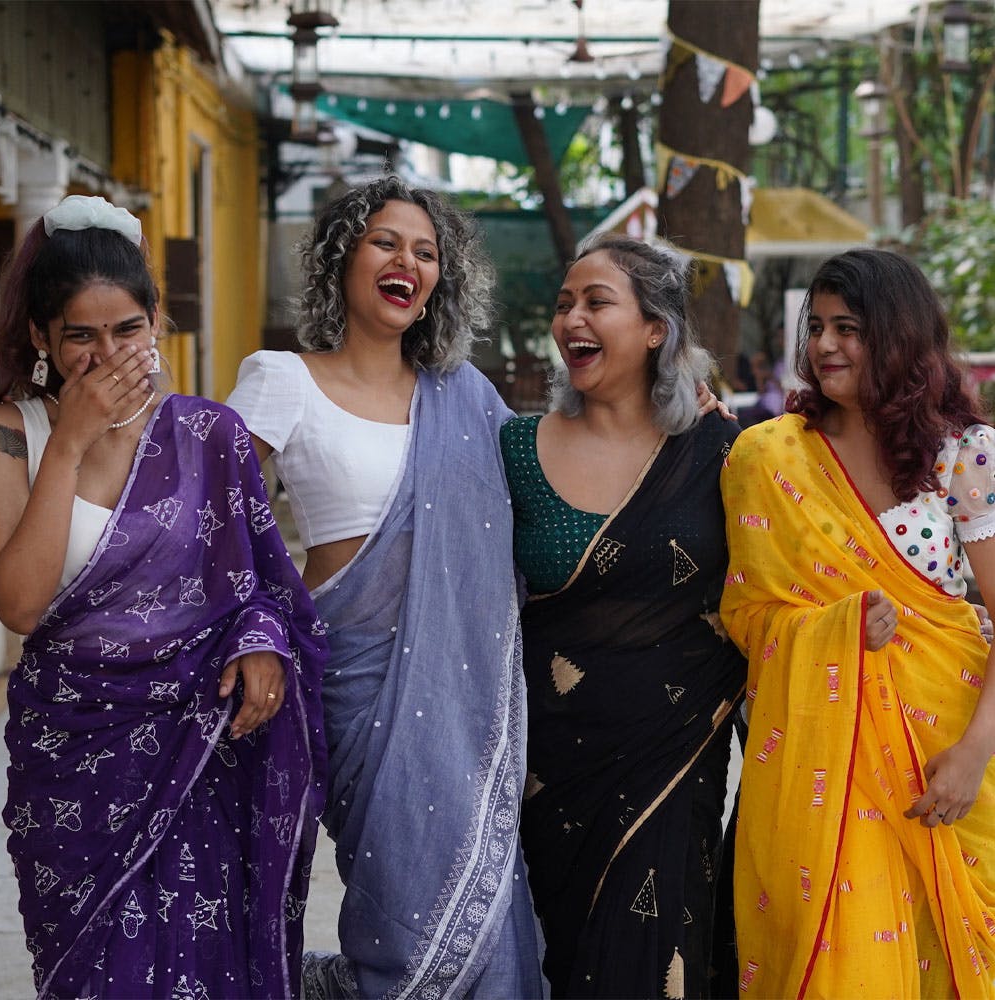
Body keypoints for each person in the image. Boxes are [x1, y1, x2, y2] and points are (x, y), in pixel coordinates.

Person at [0, 195, 328, 999]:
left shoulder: (208, 436)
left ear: (157, 324)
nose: (107, 356)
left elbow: (262, 583)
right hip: (78, 764)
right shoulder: (15, 434)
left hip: (199, 751)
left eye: (126, 331)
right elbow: (20, 606)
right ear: (41, 338)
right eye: (81, 335)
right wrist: (70, 441)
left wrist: (257, 639)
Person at [226, 175, 546, 999]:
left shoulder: (467, 397)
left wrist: (666, 416)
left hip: (462, 689)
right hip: (347, 678)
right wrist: (251, 638)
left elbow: (540, 489)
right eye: (385, 242)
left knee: (480, 889)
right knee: (404, 901)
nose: (408, 261)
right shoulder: (281, 378)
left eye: (427, 251)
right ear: (344, 257)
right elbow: (218, 526)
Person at [721, 249, 995, 997]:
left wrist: (973, 754)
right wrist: (839, 629)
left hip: (954, 750)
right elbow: (745, 615)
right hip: (829, 768)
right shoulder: (770, 455)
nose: (826, 345)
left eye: (850, 327)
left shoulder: (962, 453)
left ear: (900, 336)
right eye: (818, 327)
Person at [499, 233, 746, 998]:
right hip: (550, 768)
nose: (572, 317)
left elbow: (773, 590)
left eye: (596, 302)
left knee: (658, 962)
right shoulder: (511, 448)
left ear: (655, 329)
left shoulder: (721, 449)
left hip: (672, 759)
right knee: (563, 963)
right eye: (564, 303)